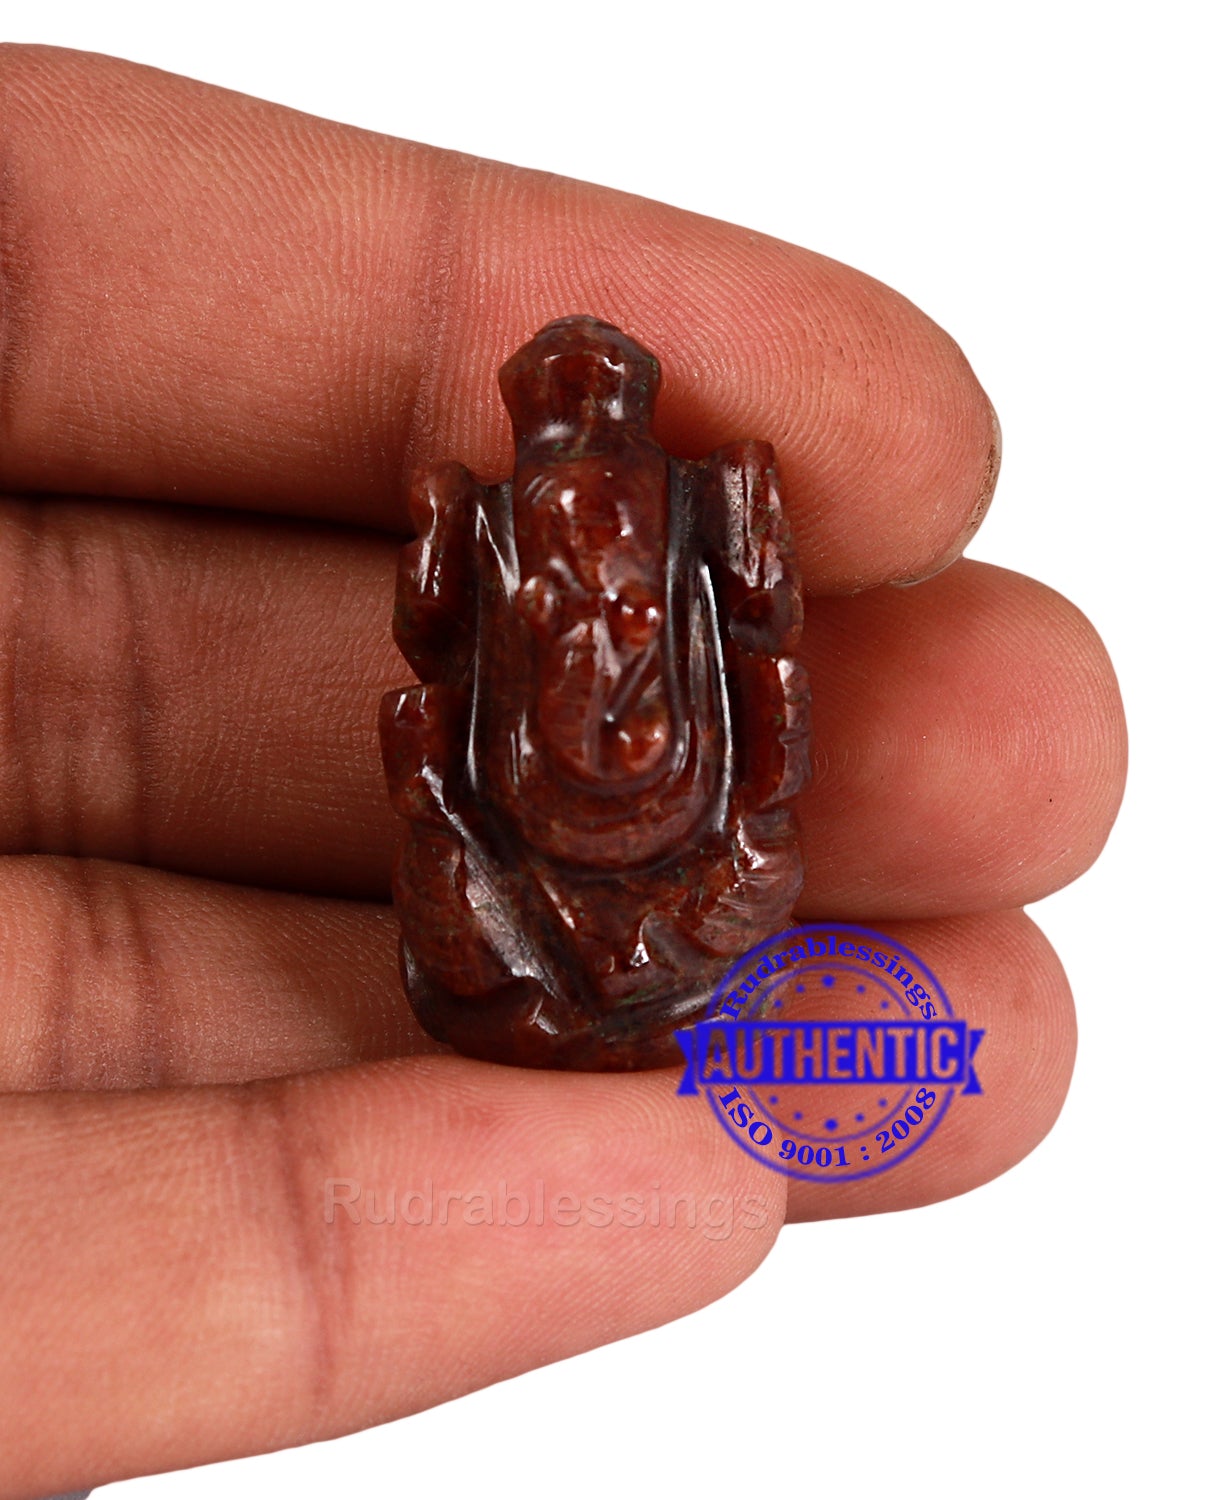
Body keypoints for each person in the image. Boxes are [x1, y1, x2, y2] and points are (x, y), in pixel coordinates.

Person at [0, 43, 1126, 1496]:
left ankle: (633, 972)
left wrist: (743, 559)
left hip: (680, 823)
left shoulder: (693, 500)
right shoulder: (483, 514)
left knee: (742, 863)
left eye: (603, 396)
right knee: (457, 835)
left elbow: (760, 628)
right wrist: (443, 552)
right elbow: (432, 645)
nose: (582, 428)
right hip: (519, 828)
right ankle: (580, 967)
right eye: (558, 400)